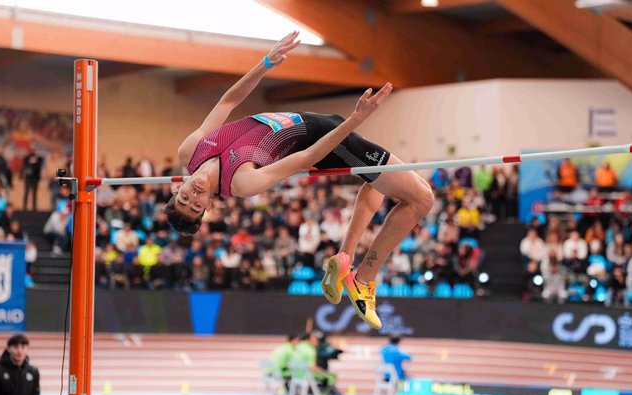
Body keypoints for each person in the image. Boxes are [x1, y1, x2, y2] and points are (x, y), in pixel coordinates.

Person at [165, 31, 434, 330]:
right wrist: (354, 120)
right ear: (207, 207)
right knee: (423, 199)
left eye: (184, 198)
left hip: (318, 125)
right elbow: (305, 159)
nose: (193, 195)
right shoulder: (241, 182)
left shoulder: (190, 151)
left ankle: (345, 258)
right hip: (325, 137)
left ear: (178, 188)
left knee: (378, 185)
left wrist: (266, 62)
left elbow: (229, 101)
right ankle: (365, 279)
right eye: (195, 205)